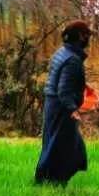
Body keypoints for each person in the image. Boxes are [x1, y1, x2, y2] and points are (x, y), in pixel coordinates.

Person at [34, 20, 91, 186]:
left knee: (56, 143)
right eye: (87, 35)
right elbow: (63, 89)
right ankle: (53, 181)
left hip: (53, 104)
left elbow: (60, 80)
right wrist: (73, 109)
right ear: (81, 36)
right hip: (61, 107)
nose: (88, 39)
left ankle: (48, 179)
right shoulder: (73, 59)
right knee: (62, 146)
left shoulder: (61, 53)